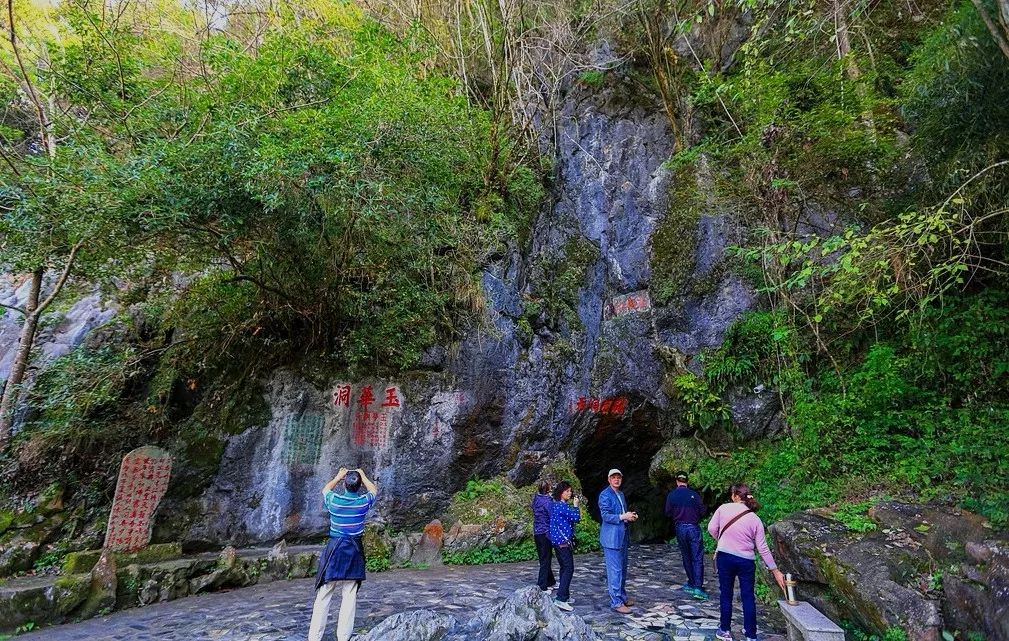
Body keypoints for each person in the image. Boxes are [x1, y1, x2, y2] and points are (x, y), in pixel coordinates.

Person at [708, 484, 786, 641]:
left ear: (736, 496)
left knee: (726, 594)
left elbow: (711, 528)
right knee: (748, 596)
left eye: (732, 494)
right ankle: (750, 635)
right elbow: (763, 548)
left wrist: (722, 541)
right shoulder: (755, 519)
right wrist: (775, 570)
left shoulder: (723, 509)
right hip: (746, 561)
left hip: (725, 557)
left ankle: (725, 630)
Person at [308, 467, 378, 641]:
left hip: (335, 550)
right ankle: (343, 637)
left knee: (324, 594)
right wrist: (363, 475)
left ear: (345, 485)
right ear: (359, 486)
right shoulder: (363, 503)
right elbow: (374, 490)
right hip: (354, 550)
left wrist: (338, 477)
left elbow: (325, 489)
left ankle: (314, 637)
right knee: (349, 595)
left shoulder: (335, 501)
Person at [597, 468, 638, 614]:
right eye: (613, 477)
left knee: (623, 569)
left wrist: (629, 516)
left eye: (618, 477)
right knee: (615, 570)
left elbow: (621, 514)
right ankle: (616, 602)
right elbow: (606, 516)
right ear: (609, 479)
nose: (616, 480)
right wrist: (623, 517)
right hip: (611, 539)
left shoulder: (620, 494)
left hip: (622, 537)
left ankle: (621, 596)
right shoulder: (604, 495)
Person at [665, 471, 708, 599]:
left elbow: (667, 513)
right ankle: (698, 588)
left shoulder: (671, 495)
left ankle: (691, 582)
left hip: (680, 528)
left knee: (686, 556)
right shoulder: (694, 495)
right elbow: (703, 511)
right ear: (687, 481)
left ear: (677, 481)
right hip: (693, 527)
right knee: (697, 556)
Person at [548, 481, 581, 612]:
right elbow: (576, 517)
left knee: (563, 568)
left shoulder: (555, 505)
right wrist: (576, 506)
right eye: (567, 491)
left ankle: (565, 595)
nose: (570, 493)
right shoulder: (563, 507)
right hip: (563, 543)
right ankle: (561, 598)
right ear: (561, 493)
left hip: (557, 542)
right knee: (569, 569)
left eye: (570, 491)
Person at [531, 480, 556, 594]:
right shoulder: (548, 501)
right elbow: (552, 516)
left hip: (537, 532)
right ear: (548, 489)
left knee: (544, 558)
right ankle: (542, 586)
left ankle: (550, 581)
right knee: (546, 559)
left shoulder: (535, 499)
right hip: (546, 532)